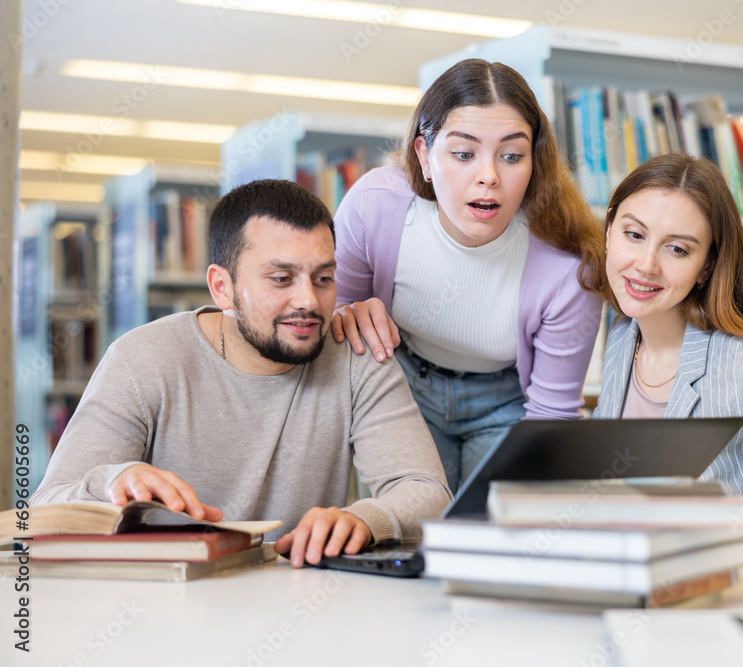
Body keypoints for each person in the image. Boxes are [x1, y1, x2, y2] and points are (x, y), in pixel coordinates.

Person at [30, 179, 452, 568]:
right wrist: (112, 480)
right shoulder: (143, 359)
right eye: (281, 279)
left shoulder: (356, 356)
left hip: (298, 609)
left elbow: (427, 492)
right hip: (162, 610)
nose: (308, 300)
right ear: (222, 287)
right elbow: (44, 511)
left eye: (323, 278)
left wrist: (367, 520)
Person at [332, 58, 605, 492]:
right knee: (407, 535)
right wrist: (346, 314)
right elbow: (334, 324)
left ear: (534, 162)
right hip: (400, 385)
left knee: (493, 533)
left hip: (507, 401)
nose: (489, 177)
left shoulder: (569, 265)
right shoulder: (375, 206)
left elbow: (552, 416)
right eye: (463, 153)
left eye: (512, 156)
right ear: (424, 155)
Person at [592, 153, 743, 563]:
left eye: (676, 249)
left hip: (729, 591)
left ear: (706, 267)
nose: (646, 265)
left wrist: (725, 532)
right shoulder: (623, 337)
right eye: (634, 235)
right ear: (609, 232)